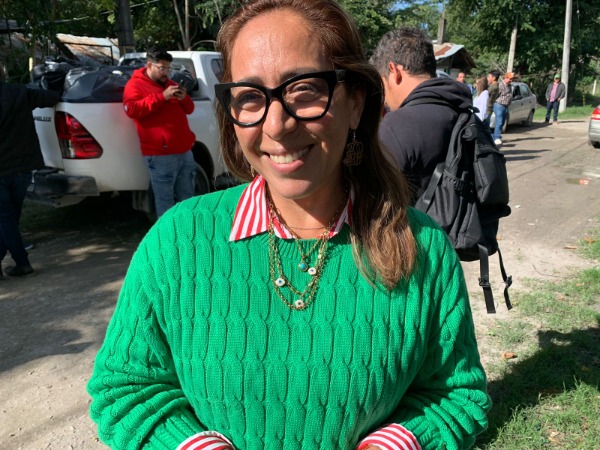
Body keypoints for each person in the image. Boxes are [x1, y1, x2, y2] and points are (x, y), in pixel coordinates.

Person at [88, 1, 491, 449]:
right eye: (249, 96)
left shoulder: (423, 248)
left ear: (356, 103)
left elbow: (454, 395)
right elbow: (125, 389)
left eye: (305, 90)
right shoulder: (177, 242)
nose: (277, 125)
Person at [369, 27, 473, 204]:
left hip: (417, 221)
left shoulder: (396, 125)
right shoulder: (465, 112)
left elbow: (374, 200)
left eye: (382, 83)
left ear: (394, 71)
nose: (384, 97)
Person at [123, 48, 197, 218]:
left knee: (188, 197)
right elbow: (132, 110)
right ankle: (167, 234)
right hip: (160, 155)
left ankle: (187, 230)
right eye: (162, 68)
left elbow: (190, 109)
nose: (166, 72)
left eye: (168, 68)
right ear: (150, 65)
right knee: (165, 201)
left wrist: (184, 98)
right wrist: (162, 97)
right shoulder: (135, 85)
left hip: (184, 151)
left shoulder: (171, 84)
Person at [0, 81, 60, 277]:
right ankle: (16, 261)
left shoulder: (21, 93)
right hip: (22, 168)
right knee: (8, 220)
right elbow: (52, 97)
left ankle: (22, 262)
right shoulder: (20, 93)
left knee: (6, 220)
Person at [492, 71, 514, 146]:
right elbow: (495, 95)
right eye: (510, 79)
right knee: (499, 121)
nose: (511, 80)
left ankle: (495, 136)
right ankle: (496, 138)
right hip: (499, 105)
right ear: (506, 77)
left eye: (512, 79)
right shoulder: (500, 85)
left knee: (502, 122)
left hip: (506, 105)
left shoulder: (510, 86)